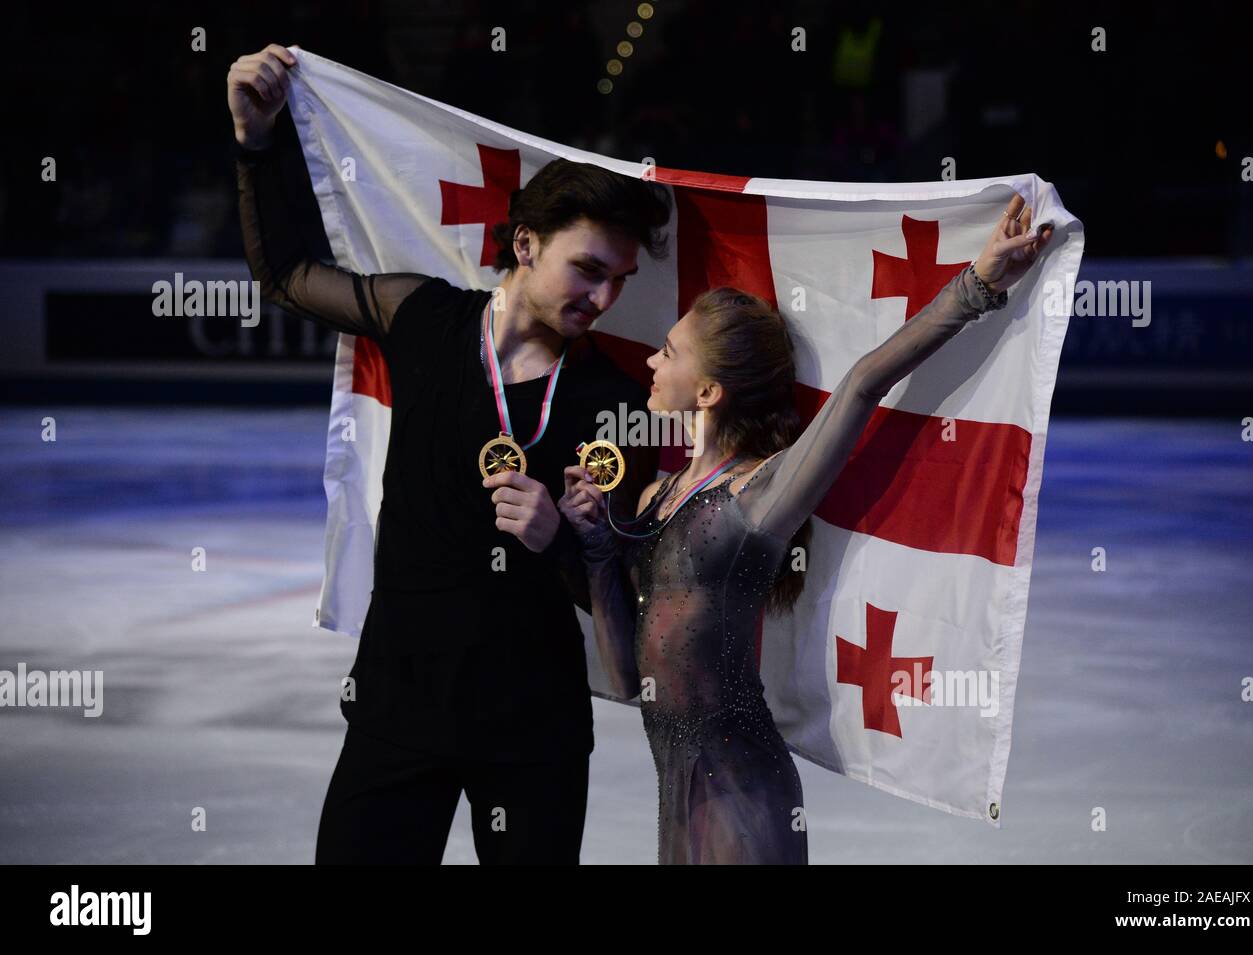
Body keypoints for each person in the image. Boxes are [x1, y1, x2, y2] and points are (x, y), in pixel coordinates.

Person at [227, 43, 668, 863]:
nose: (604, 299)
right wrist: (256, 143)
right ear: (526, 243)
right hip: (399, 708)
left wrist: (557, 543)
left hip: (531, 726)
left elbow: (619, 588)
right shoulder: (423, 319)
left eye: (621, 279)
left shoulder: (614, 400)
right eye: (589, 269)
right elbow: (285, 274)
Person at [559, 198, 1052, 864]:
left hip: (744, 796)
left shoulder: (757, 496)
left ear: (707, 392)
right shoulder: (655, 495)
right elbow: (624, 679)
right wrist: (594, 548)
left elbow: (860, 384)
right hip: (675, 800)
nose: (651, 360)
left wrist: (979, 284)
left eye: (669, 352)